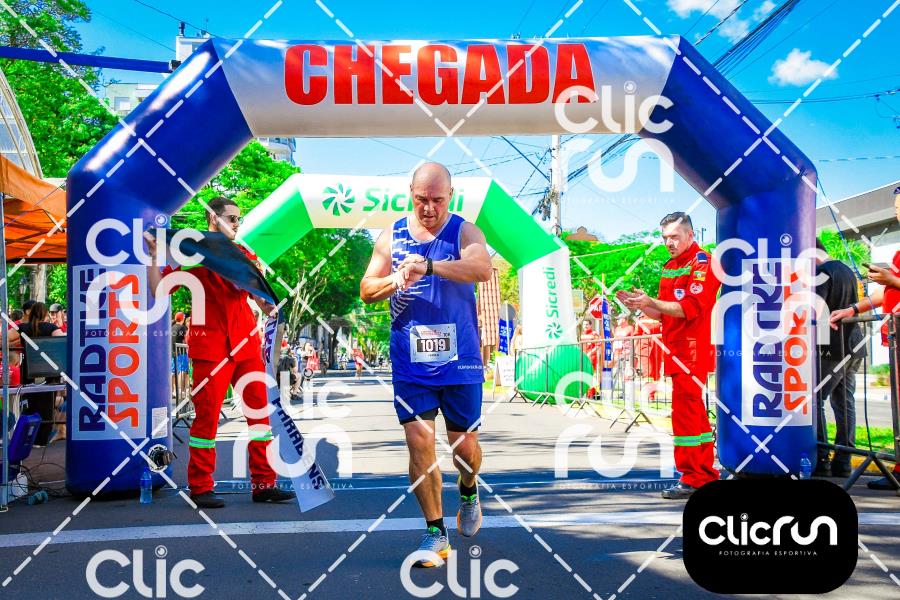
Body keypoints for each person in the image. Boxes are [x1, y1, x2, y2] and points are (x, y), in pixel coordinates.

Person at [360, 162, 493, 567]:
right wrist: (397, 279)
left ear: (450, 196)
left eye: (437, 200)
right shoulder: (392, 235)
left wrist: (430, 267)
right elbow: (366, 289)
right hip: (410, 359)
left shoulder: (464, 231)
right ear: (411, 193)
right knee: (419, 440)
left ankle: (468, 487)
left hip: (460, 359)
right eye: (421, 199)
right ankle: (435, 533)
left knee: (463, 447)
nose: (429, 208)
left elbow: (482, 269)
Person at [147, 196, 295, 508]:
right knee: (207, 419)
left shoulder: (244, 254)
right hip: (210, 347)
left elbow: (262, 301)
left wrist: (270, 304)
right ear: (213, 218)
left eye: (239, 218)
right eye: (232, 218)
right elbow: (159, 290)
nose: (237, 224)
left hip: (246, 344)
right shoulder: (191, 251)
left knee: (259, 415)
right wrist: (153, 257)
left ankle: (264, 484)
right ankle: (201, 487)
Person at [617, 212, 721, 499]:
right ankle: (702, 474)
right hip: (675, 350)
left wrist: (652, 301)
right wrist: (641, 304)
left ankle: (694, 477)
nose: (669, 243)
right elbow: (664, 313)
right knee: (691, 415)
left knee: (687, 416)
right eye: (665, 238)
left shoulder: (702, 263)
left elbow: (691, 307)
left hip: (691, 350)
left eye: (674, 237)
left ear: (690, 235)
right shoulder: (670, 266)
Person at [830, 186, 900, 490]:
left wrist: (892, 279)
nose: (897, 212)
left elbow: (893, 284)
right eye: (896, 208)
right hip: (895, 336)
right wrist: (852, 309)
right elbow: (886, 292)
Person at [813, 238, 864, 477]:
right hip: (854, 344)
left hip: (832, 348)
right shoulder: (845, 269)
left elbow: (816, 310)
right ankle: (843, 462)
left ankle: (821, 459)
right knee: (845, 403)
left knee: (815, 400)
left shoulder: (821, 272)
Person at [10, 302, 65, 445]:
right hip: (48, 372)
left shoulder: (23, 327)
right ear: (45, 313)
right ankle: (42, 439)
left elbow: (3, 337)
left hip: (29, 372)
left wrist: (14, 344)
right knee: (47, 406)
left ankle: (29, 438)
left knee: (29, 405)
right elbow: (62, 341)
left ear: (31, 313)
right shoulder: (51, 328)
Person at [171, 311, 190, 399]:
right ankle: (180, 391)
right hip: (181, 353)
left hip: (172, 353)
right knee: (182, 371)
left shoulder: (172, 327)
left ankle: (173, 391)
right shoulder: (183, 328)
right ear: (183, 318)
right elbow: (187, 339)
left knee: (173, 372)